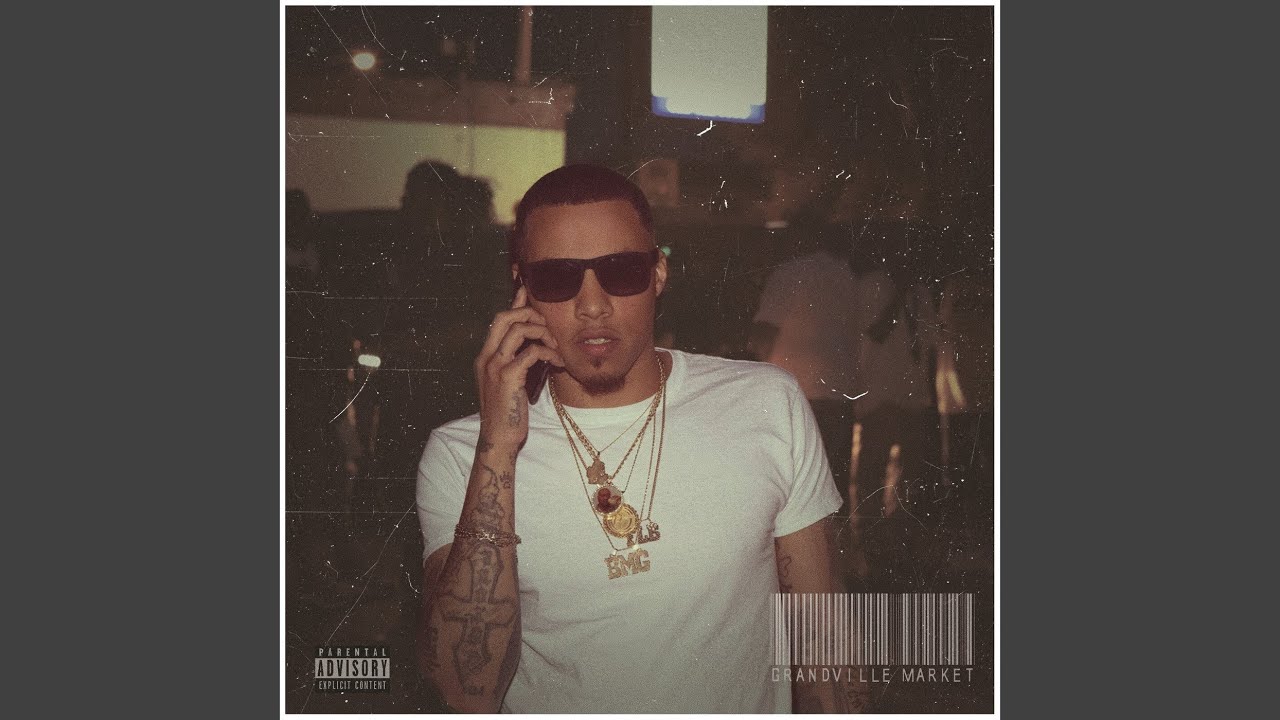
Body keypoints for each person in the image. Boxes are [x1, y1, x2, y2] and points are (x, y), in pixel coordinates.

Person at [414, 164, 869, 713]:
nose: (592, 305)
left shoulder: (766, 402)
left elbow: (825, 648)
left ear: (657, 273)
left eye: (621, 270)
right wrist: (499, 447)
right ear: (522, 288)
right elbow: (464, 690)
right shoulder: (463, 454)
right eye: (557, 278)